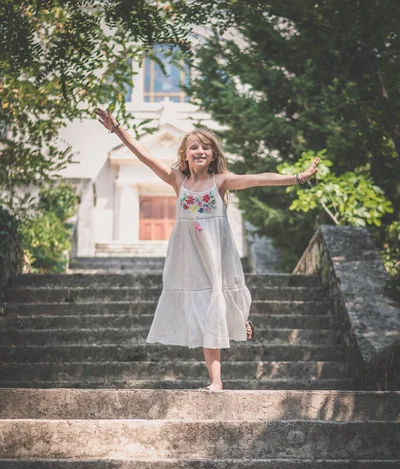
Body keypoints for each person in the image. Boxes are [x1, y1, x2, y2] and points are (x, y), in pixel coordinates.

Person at [95, 108, 319, 391]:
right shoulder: (178, 180)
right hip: (189, 257)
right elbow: (145, 156)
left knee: (218, 299)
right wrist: (117, 128)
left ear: (213, 155)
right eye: (194, 147)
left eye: (206, 147)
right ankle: (217, 380)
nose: (200, 151)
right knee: (205, 311)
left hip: (216, 254)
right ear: (185, 154)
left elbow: (260, 177)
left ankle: (237, 322)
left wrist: (298, 177)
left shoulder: (220, 182)